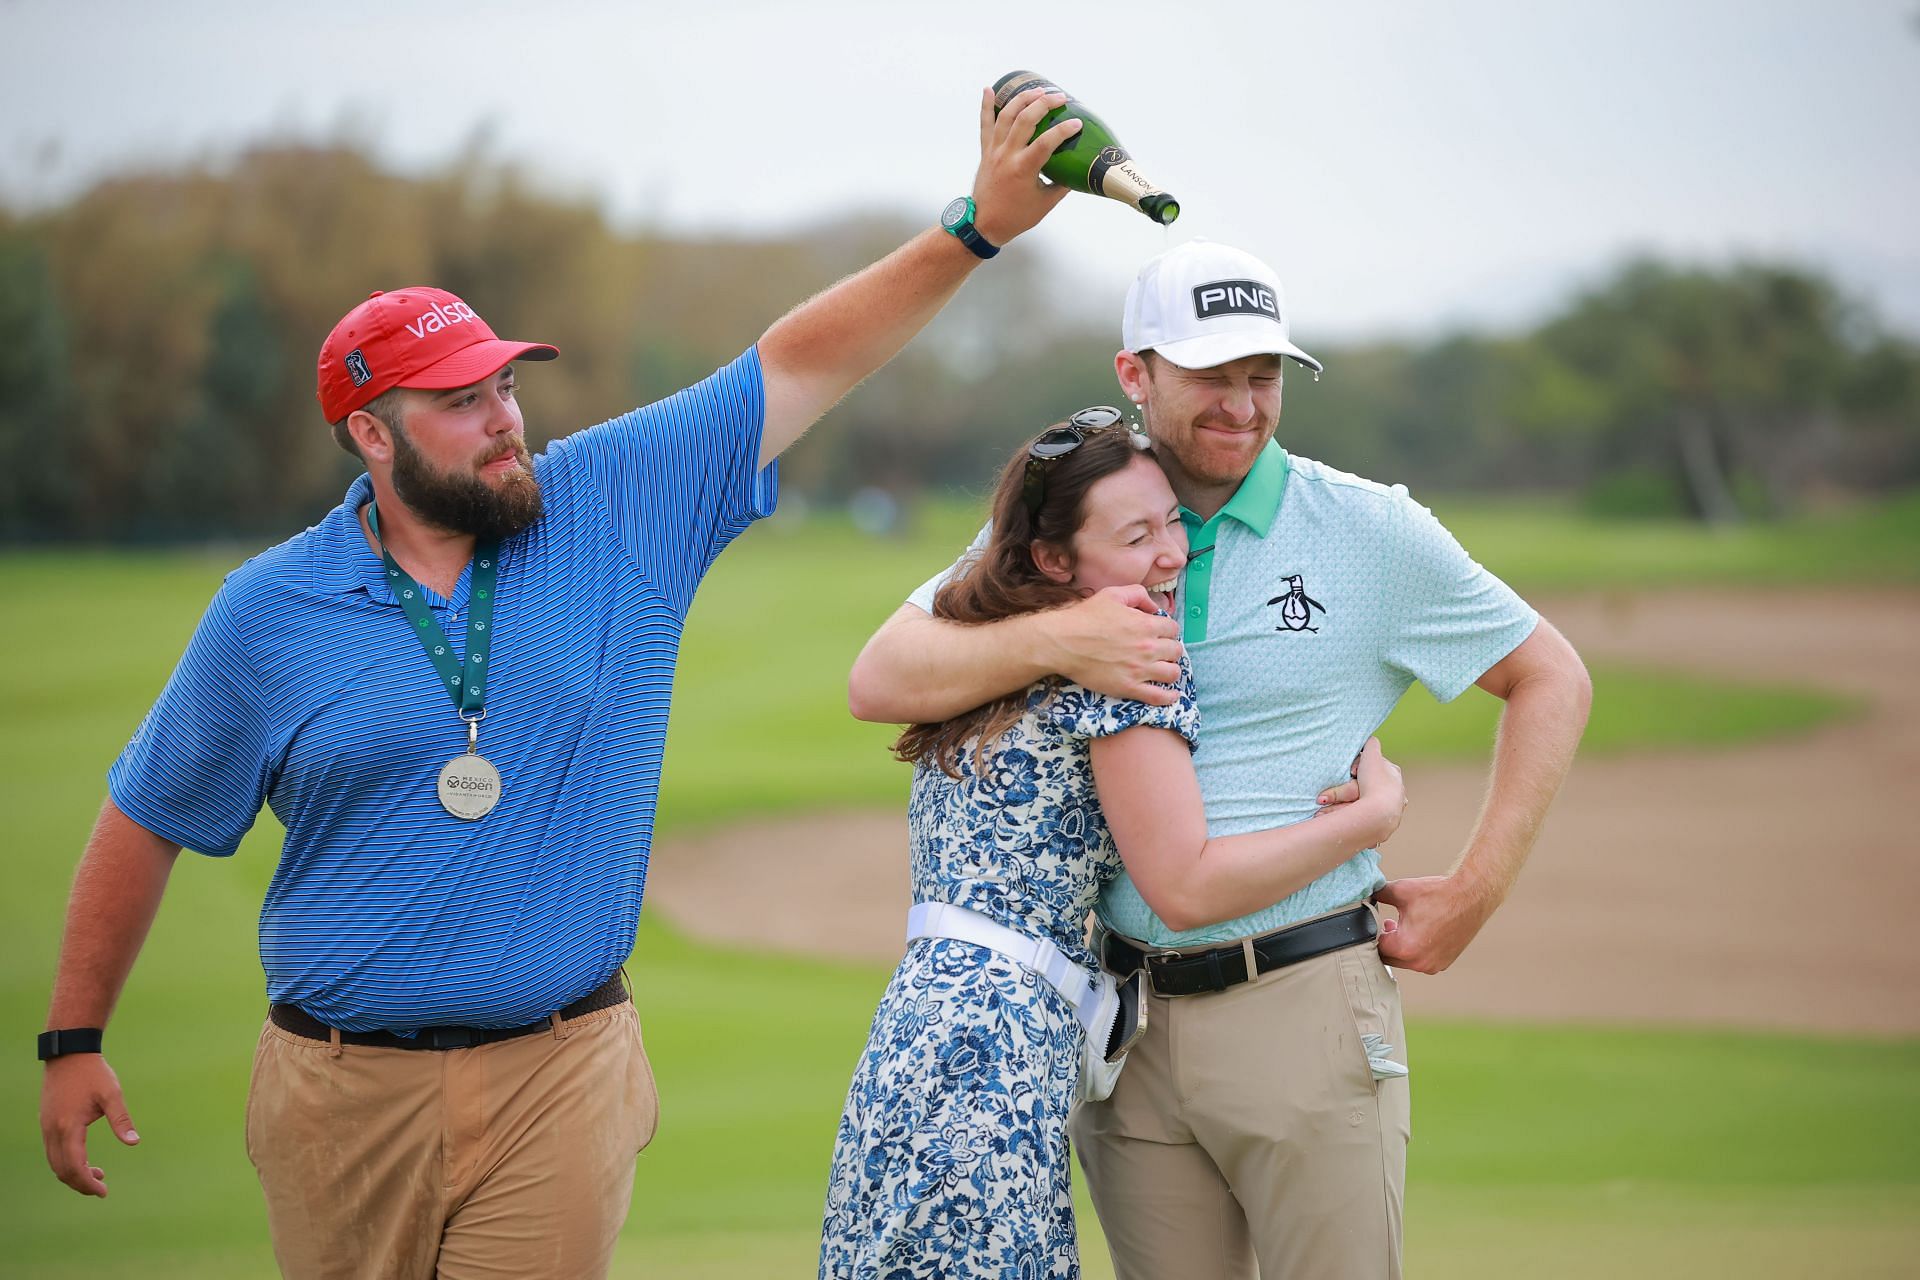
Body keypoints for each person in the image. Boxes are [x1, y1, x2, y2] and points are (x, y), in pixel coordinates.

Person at [37, 85, 1084, 1280]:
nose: (503, 422)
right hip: (338, 1094)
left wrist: (976, 227)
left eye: (505, 387)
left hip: (558, 1071)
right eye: (461, 402)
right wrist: (74, 1035)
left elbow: (800, 361)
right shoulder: (268, 612)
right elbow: (147, 814)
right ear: (373, 437)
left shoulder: (611, 502)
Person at [847, 240, 1594, 1279]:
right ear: (1136, 375)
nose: (1242, 403)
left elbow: (1551, 675)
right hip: (1128, 1031)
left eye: (1264, 374)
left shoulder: (1367, 527)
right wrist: (1060, 637)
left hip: (1306, 1000)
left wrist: (1479, 887)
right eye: (1212, 376)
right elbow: (883, 675)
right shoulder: (1092, 518)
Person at [820, 413, 1409, 1279]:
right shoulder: (1130, 659)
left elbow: (878, 681)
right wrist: (1368, 820)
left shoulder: (980, 648)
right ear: (1056, 559)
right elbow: (1188, 887)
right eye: (1138, 535)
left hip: (914, 1031)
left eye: (1173, 520)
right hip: (999, 1045)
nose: (1174, 551)